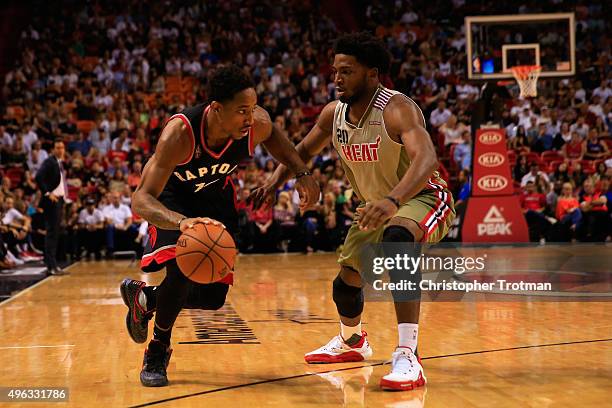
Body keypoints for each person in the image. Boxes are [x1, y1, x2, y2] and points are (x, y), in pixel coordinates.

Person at [254, 32, 455, 391]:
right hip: (375, 206)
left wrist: (394, 201)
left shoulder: (397, 109)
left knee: (397, 241)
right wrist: (273, 183)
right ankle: (352, 342)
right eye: (335, 71)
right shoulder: (335, 113)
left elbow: (427, 159)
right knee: (345, 287)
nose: (337, 78)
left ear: (372, 74)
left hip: (421, 197)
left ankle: (409, 354)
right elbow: (300, 150)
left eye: (346, 71)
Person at [120, 65, 319, 387]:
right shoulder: (180, 135)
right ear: (215, 109)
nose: (250, 118)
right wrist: (183, 223)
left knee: (213, 298)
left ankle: (147, 299)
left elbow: (276, 138)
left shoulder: (256, 124)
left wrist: (301, 172)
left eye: (252, 109)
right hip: (173, 200)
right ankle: (158, 349)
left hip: (215, 196)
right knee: (182, 270)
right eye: (242, 111)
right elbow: (141, 199)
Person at [34, 140, 69, 275]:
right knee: (51, 233)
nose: (60, 150)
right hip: (52, 201)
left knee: (55, 233)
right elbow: (38, 177)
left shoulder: (58, 162)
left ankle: (53, 264)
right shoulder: (49, 161)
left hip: (59, 200)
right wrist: (47, 193)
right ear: (53, 149)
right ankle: (51, 266)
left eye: (62, 147)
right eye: (58, 147)